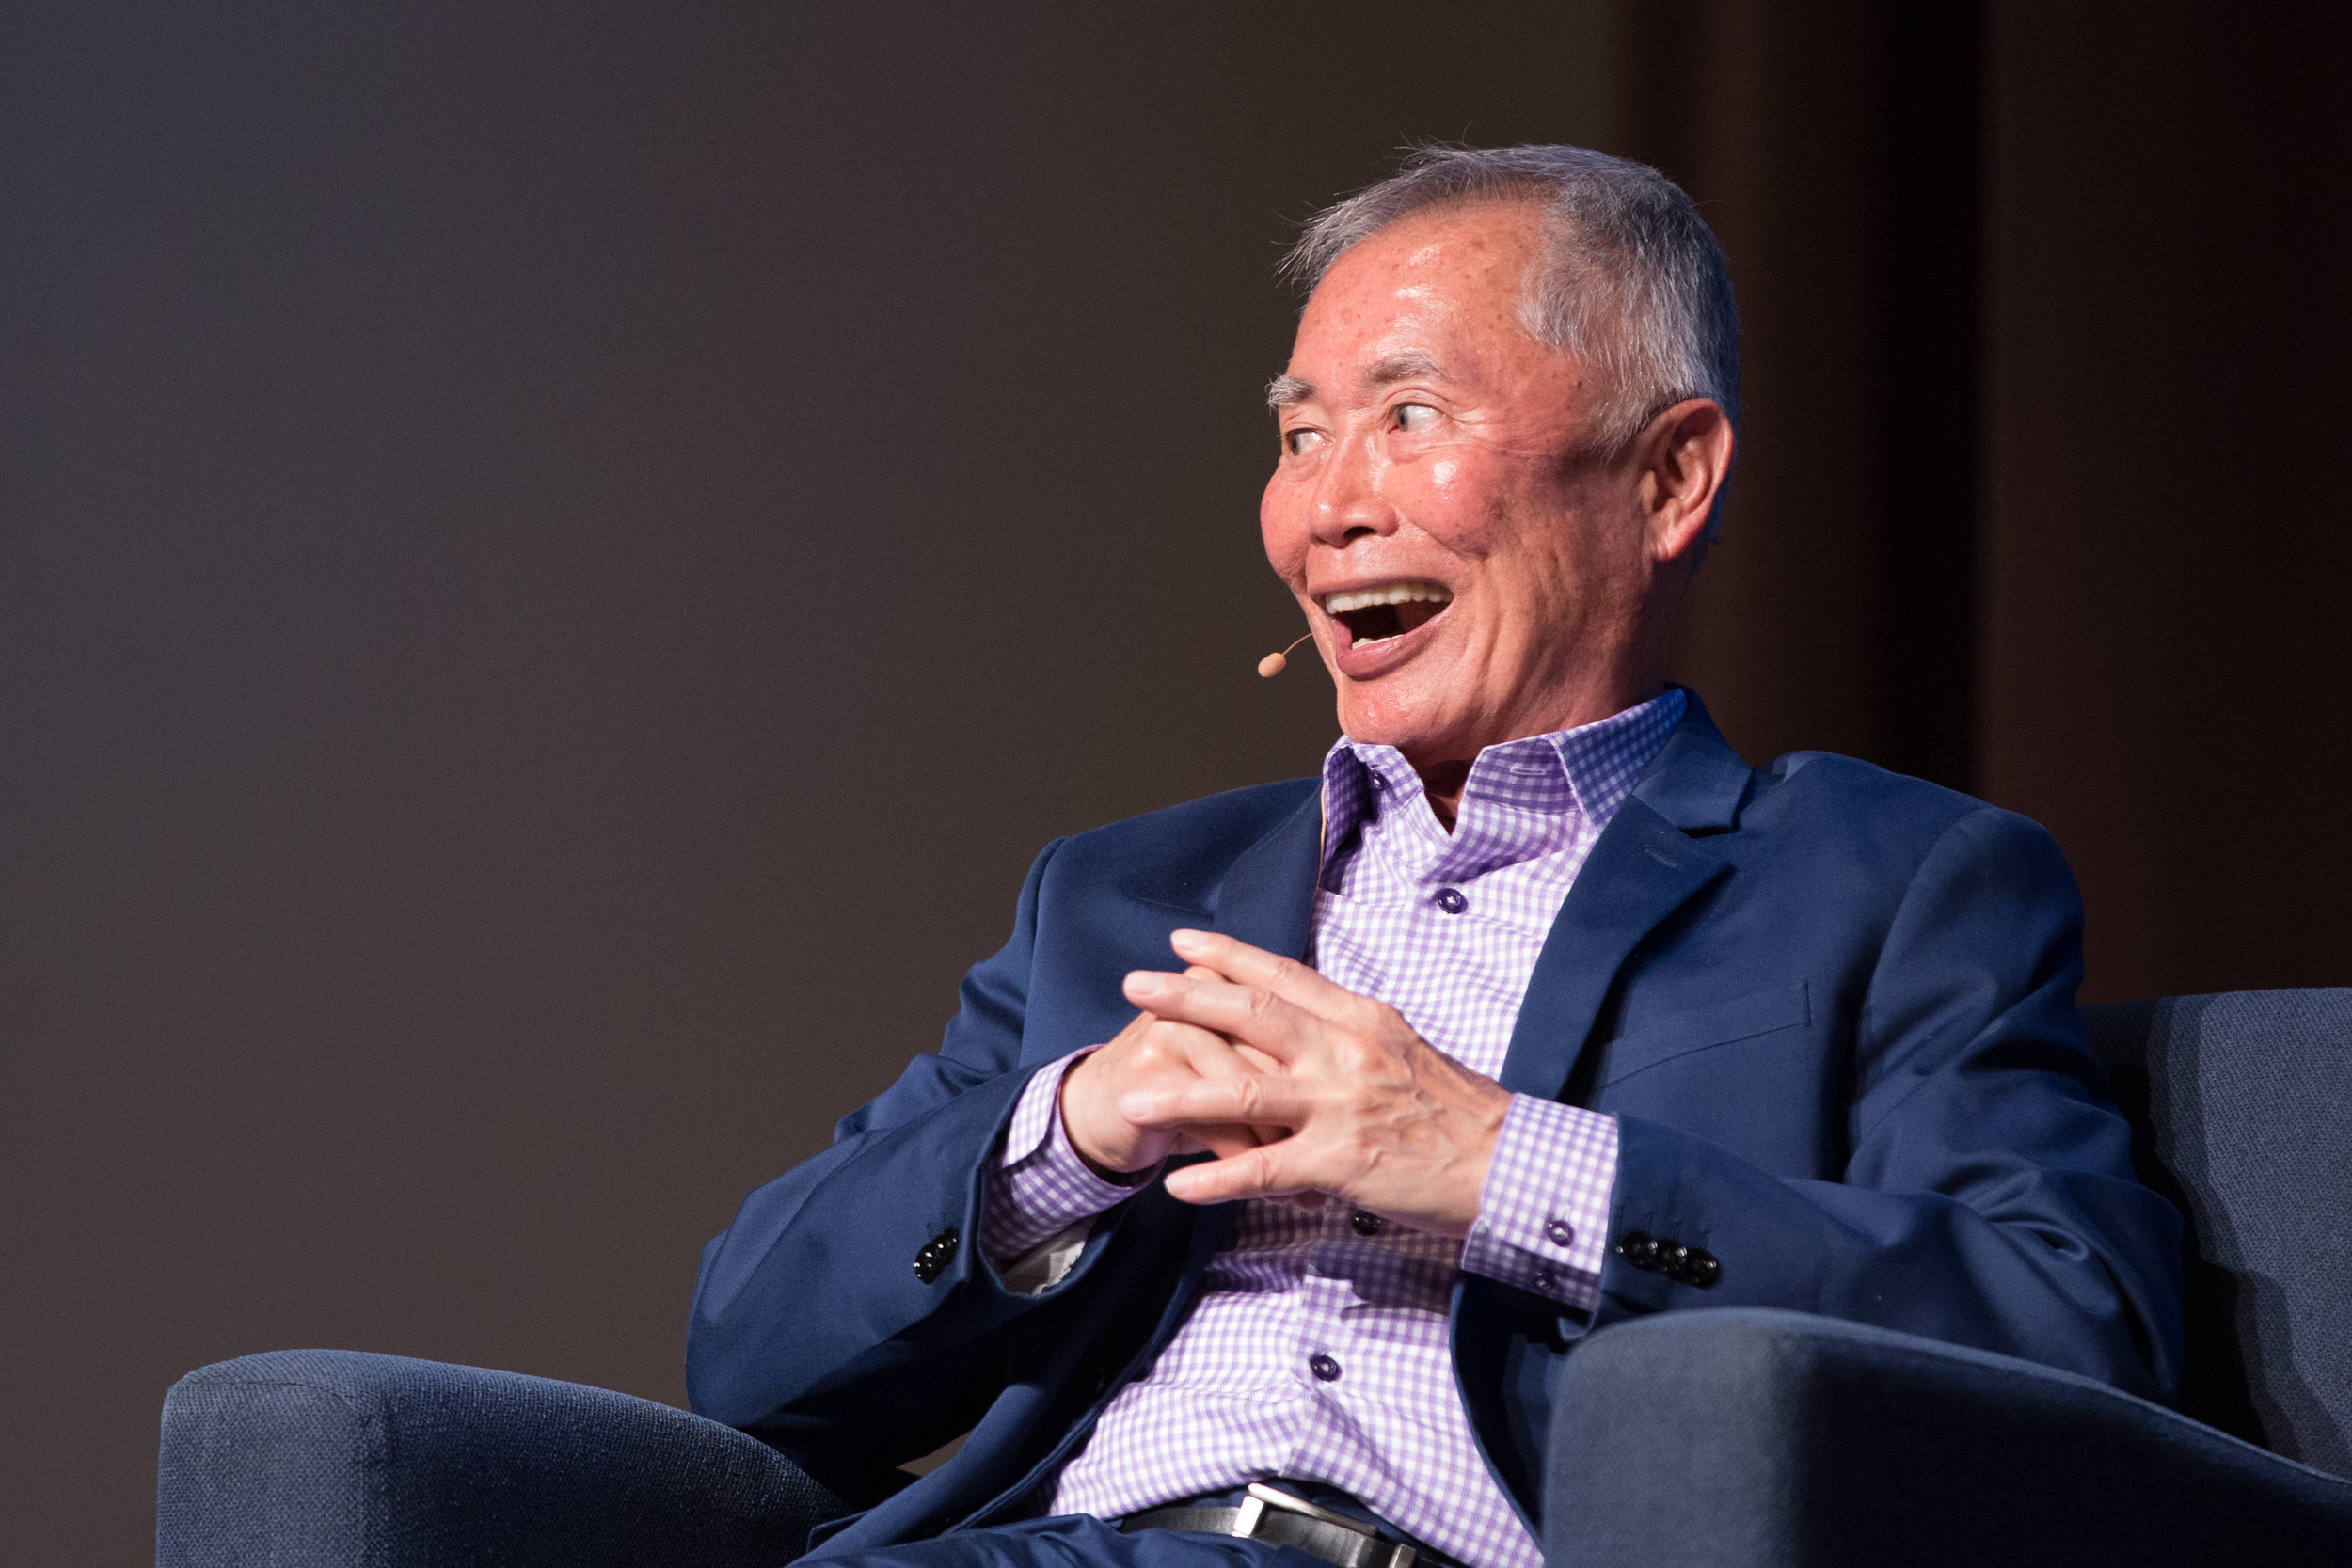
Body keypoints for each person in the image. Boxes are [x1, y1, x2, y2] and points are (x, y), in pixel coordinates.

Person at [685, 145, 2182, 1568]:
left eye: (1410, 416)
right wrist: (1063, 1135)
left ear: (1668, 479)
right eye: (1298, 436)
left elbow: (2066, 1334)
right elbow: (749, 1354)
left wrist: (1492, 1159)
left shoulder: (1890, 881)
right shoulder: (1120, 899)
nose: (1328, 508)